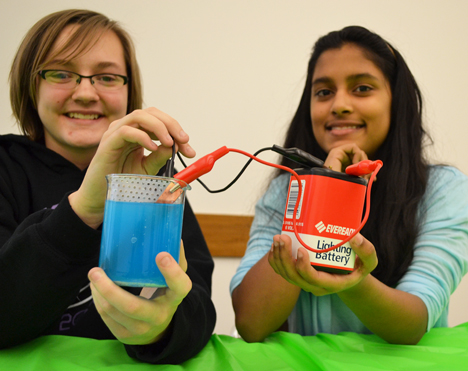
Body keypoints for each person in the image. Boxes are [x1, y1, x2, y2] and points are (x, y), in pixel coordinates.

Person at [0, 9, 216, 364]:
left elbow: (199, 307)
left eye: (107, 77)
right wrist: (84, 209)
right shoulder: (6, 168)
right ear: (30, 84)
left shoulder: (158, 181)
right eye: (61, 73)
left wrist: (160, 330)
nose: (85, 93)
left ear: (130, 91)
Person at [230, 26, 468, 344]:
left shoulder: (444, 190)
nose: (339, 104)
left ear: (396, 102)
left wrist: (353, 282)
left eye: (362, 88)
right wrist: (324, 189)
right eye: (324, 92)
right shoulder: (286, 190)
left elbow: (414, 321)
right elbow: (251, 322)